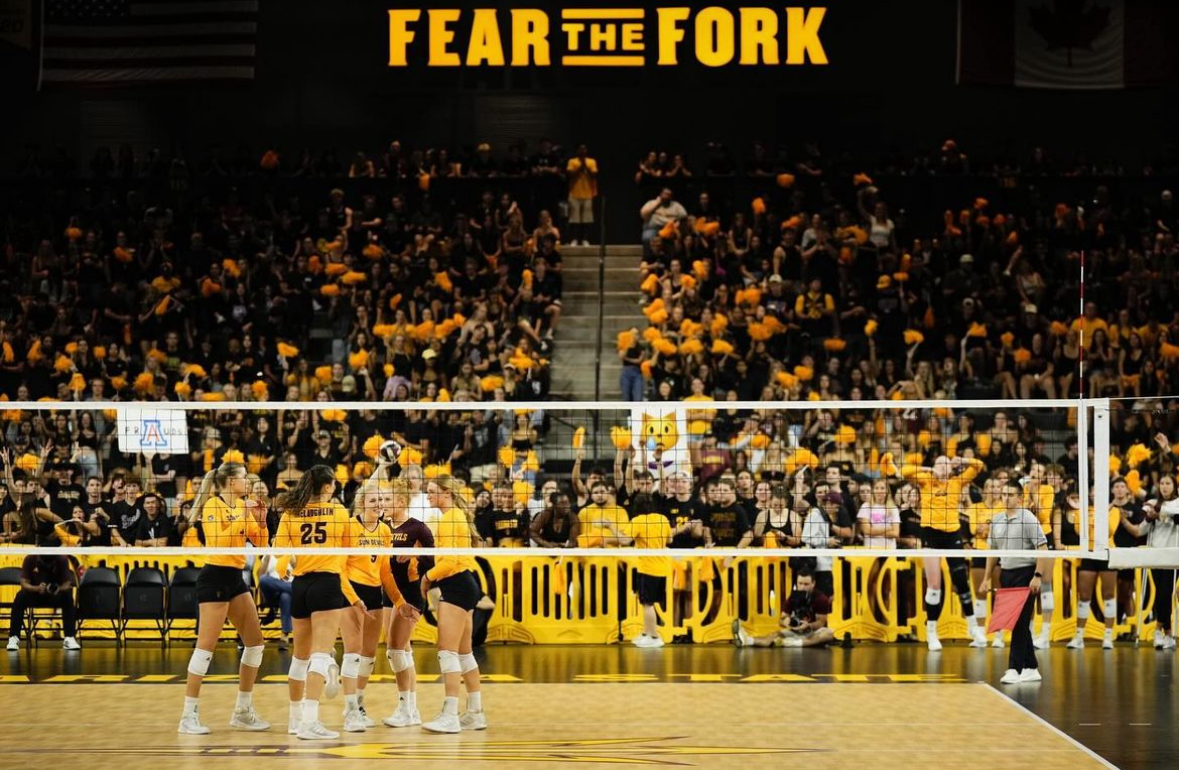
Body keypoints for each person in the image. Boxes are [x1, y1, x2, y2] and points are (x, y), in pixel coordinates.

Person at [275, 464, 370, 740]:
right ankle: (309, 722)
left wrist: (285, 567)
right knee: (320, 654)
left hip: (301, 586)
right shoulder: (339, 512)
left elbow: (279, 552)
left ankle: (294, 720)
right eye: (334, 484)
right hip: (327, 584)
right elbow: (350, 551)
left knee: (300, 657)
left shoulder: (292, 511)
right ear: (327, 487)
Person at [179, 462, 270, 735]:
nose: (248, 482)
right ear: (231, 481)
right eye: (244, 477)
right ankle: (188, 716)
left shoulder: (243, 506)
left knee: (255, 644)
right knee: (206, 648)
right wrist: (244, 517)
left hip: (235, 578)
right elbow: (219, 541)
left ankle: (243, 711)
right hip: (214, 577)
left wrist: (262, 520)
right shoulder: (213, 506)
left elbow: (262, 543)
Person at [419, 475, 486, 734]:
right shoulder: (456, 515)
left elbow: (448, 562)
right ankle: (475, 713)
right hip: (465, 585)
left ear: (446, 492)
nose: (428, 496)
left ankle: (450, 715)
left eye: (432, 491)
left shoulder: (449, 519)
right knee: (463, 652)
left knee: (447, 652)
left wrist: (426, 578)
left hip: (457, 585)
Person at [901, 455, 987, 650]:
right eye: (939, 463)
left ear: (951, 468)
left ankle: (973, 627)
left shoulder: (957, 482)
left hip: (952, 534)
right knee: (934, 584)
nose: (942, 467)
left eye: (945, 464)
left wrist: (962, 460)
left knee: (960, 580)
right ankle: (932, 632)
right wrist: (930, 470)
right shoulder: (926, 480)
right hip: (930, 533)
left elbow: (979, 465)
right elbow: (904, 471)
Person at [341, 457, 397, 731]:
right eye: (373, 501)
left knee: (369, 654)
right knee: (352, 653)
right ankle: (350, 710)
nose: (378, 505)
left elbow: (385, 571)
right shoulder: (350, 526)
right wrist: (353, 598)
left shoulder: (386, 530)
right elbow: (339, 568)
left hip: (375, 594)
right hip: (352, 593)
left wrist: (398, 600)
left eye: (381, 501)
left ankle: (358, 703)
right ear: (362, 503)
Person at [980, 481, 1052, 684]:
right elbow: (992, 552)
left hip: (1026, 573)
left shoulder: (1028, 519)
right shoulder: (996, 520)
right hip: (1007, 574)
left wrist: (1037, 576)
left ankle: (1014, 668)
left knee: (1019, 622)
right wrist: (986, 578)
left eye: (1010, 494)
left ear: (1020, 498)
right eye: (1003, 494)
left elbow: (1043, 548)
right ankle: (1031, 667)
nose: (1006, 497)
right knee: (1018, 623)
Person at [382, 476, 435, 728]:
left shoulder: (418, 528)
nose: (383, 504)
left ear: (401, 501)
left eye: (388, 499)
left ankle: (406, 710)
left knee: (395, 650)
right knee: (402, 650)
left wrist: (416, 553)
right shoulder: (383, 527)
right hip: (391, 593)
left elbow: (433, 559)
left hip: (411, 593)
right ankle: (411, 711)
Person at [732, 568, 836, 648]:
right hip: (796, 632)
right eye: (800, 583)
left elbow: (820, 623)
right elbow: (781, 620)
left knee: (828, 633)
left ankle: (796, 644)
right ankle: (747, 640)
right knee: (775, 634)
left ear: (813, 584)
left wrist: (808, 625)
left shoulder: (820, 598)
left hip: (813, 633)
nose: (803, 587)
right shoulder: (793, 597)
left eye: (806, 584)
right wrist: (785, 621)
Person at [6, 554, 80, 651]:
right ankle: (13, 637)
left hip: (54, 595)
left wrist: (58, 589)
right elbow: (24, 583)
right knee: (20, 596)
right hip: (35, 594)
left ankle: (69, 637)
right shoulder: (30, 558)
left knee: (68, 597)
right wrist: (36, 588)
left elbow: (67, 584)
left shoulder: (62, 559)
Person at [628, 493, 673, 649]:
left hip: (647, 567)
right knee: (648, 603)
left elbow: (624, 539)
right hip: (663, 567)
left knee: (647, 604)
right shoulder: (663, 519)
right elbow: (670, 540)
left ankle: (654, 636)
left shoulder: (637, 521)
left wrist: (609, 526)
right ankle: (647, 634)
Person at [566, 143, 598, 246]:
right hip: (574, 193)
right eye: (580, 149)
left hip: (588, 194)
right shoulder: (572, 161)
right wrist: (581, 166)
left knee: (586, 218)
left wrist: (585, 165)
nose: (582, 151)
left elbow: (594, 174)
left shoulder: (591, 162)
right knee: (574, 219)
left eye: (584, 149)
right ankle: (574, 239)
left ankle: (585, 239)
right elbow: (570, 174)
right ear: (577, 151)